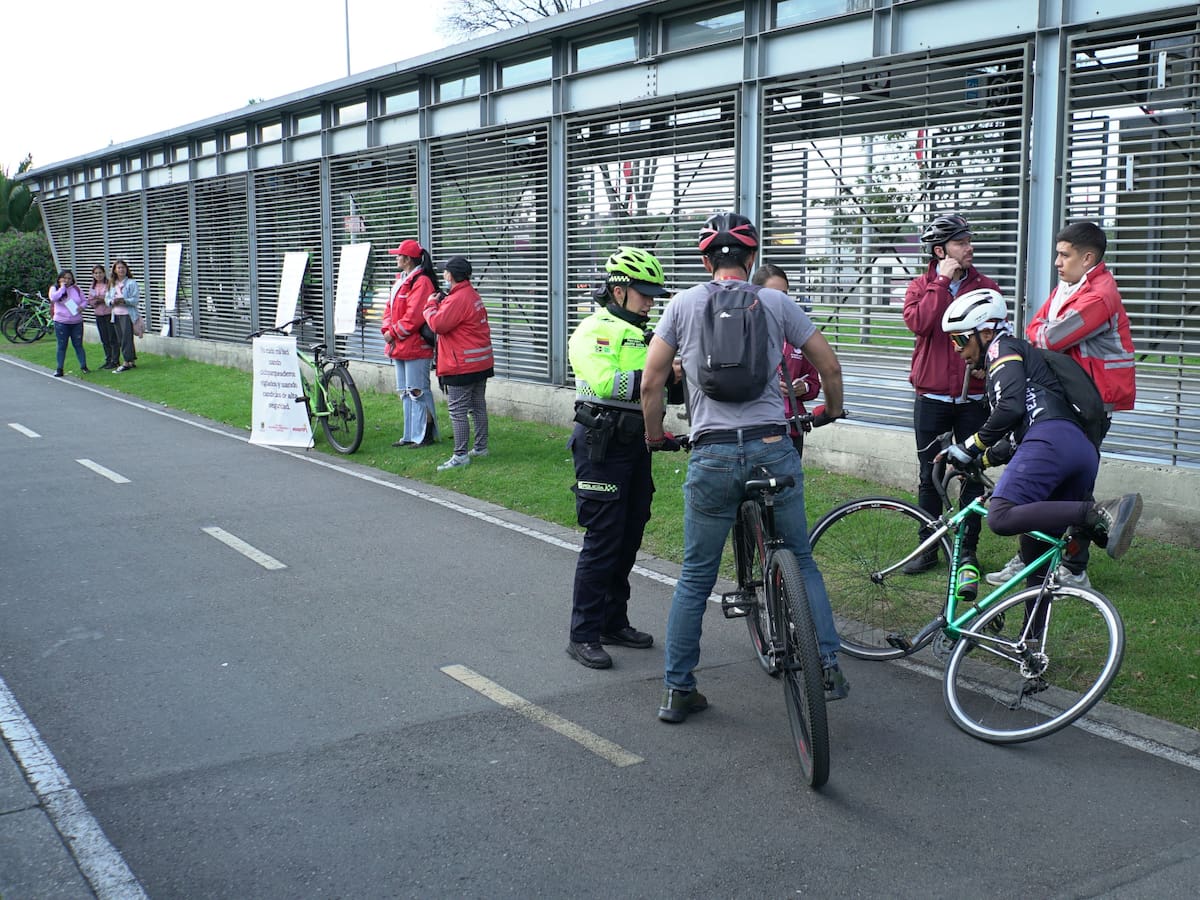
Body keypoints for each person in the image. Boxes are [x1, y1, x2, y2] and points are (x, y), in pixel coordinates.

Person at [641, 213, 848, 722]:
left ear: (706, 260)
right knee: (799, 558)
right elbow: (829, 365)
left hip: (711, 453)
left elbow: (651, 383)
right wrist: (832, 410)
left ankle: (678, 689)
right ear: (752, 260)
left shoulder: (682, 304)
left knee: (694, 576)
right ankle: (826, 666)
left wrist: (655, 437)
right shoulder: (775, 301)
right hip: (772, 445)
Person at [937, 288, 1142, 600]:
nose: (957, 349)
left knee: (1000, 516)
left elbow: (1011, 408)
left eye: (961, 339)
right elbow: (1014, 438)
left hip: (1050, 441)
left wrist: (967, 447)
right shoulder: (1023, 361)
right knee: (1037, 562)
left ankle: (1097, 514)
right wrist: (982, 461)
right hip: (1079, 451)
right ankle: (1031, 643)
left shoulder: (1001, 349)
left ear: (987, 331)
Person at [987, 221, 1137, 588]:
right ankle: (1031, 559)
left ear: (1088, 258)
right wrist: (1041, 333)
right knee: (1051, 486)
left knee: (1073, 487)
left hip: (1090, 405)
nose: (1056, 261)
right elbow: (1033, 330)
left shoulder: (1100, 295)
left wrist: (1043, 333)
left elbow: (1051, 337)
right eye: (1057, 253)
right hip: (1068, 399)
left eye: (1063, 254)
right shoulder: (1071, 287)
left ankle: (1073, 569)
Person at [564, 246, 683, 670]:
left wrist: (674, 378)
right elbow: (605, 382)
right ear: (619, 291)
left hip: (636, 446)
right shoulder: (594, 329)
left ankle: (613, 620)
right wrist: (660, 373)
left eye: (653, 294)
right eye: (643, 293)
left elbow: (663, 390)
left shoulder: (646, 335)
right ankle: (583, 633)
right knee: (603, 539)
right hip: (602, 446)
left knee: (630, 534)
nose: (651, 301)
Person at [901, 213, 1001, 575]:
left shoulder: (986, 286)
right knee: (930, 474)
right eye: (961, 242)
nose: (969, 247)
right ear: (940, 250)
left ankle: (966, 552)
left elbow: (996, 333)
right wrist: (942, 282)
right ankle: (927, 547)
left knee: (971, 474)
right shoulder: (920, 287)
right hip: (931, 398)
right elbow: (921, 324)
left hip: (973, 400)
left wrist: (985, 368)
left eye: (969, 240)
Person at [423, 256, 494, 471]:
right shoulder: (470, 294)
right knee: (478, 406)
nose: (443, 274)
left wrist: (430, 304)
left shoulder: (457, 299)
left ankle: (460, 455)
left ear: (451, 275)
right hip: (480, 362)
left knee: (458, 411)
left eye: (445, 271)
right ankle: (481, 447)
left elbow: (438, 324)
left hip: (461, 364)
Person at [752, 264, 821, 457]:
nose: (780, 301)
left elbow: (814, 382)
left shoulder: (797, 333)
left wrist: (803, 388)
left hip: (791, 429)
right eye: (773, 294)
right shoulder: (744, 332)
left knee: (791, 485)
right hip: (756, 430)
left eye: (784, 295)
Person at [382, 239, 439, 448]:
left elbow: (414, 316)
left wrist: (392, 332)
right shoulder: (402, 279)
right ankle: (410, 434)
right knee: (405, 392)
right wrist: (387, 329)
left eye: (399, 255)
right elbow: (389, 308)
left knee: (418, 390)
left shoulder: (421, 281)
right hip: (399, 344)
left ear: (407, 259)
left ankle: (425, 434)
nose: (396, 258)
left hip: (414, 345)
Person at [48, 270, 89, 377]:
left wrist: (82, 307)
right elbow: (53, 298)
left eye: (69, 278)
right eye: (64, 278)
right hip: (61, 322)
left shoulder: (76, 289)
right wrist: (62, 288)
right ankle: (59, 368)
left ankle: (84, 366)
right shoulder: (55, 288)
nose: (67, 280)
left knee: (78, 345)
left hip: (76, 322)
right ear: (60, 278)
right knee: (62, 346)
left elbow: (84, 301)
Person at [106, 259, 140, 372]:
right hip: (116, 314)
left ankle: (126, 362)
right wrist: (112, 302)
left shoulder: (131, 282)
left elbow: (135, 300)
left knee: (126, 339)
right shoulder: (112, 283)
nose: (121, 270)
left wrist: (124, 300)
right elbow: (107, 298)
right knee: (121, 339)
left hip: (127, 314)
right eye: (119, 268)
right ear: (115, 270)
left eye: (123, 267)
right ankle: (131, 361)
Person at [88, 264, 119, 369]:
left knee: (112, 338)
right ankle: (108, 359)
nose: (98, 275)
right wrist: (96, 301)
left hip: (109, 313)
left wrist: (101, 299)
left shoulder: (109, 284)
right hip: (99, 314)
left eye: (100, 272)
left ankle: (115, 360)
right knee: (104, 338)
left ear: (104, 273)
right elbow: (91, 300)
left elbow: (111, 297)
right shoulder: (93, 286)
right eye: (96, 273)